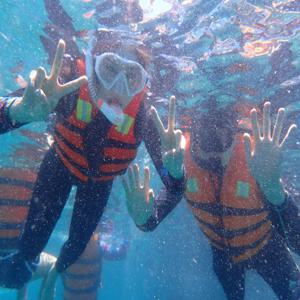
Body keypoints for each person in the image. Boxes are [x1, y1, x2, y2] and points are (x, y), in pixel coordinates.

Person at [0, 28, 186, 295]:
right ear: (91, 66)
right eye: (109, 68)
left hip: (98, 184)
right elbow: (8, 109)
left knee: (75, 249)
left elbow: (176, 187)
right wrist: (17, 111)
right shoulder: (69, 90)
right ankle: (29, 268)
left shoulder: (143, 118)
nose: (118, 89)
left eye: (132, 77)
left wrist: (150, 215)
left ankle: (53, 270)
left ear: (142, 85)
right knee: (27, 250)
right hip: (58, 166)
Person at [123, 99, 300, 300]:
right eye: (207, 138)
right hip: (224, 259)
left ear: (236, 131)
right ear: (194, 133)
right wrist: (143, 220)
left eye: (225, 137)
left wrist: (275, 190)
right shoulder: (179, 159)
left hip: (268, 250)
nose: (215, 154)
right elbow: (154, 215)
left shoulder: (256, 157)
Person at [0, 41, 86, 135]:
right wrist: (15, 111)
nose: (63, 69)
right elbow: (31, 97)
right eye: (63, 64)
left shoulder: (82, 92)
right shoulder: (54, 89)